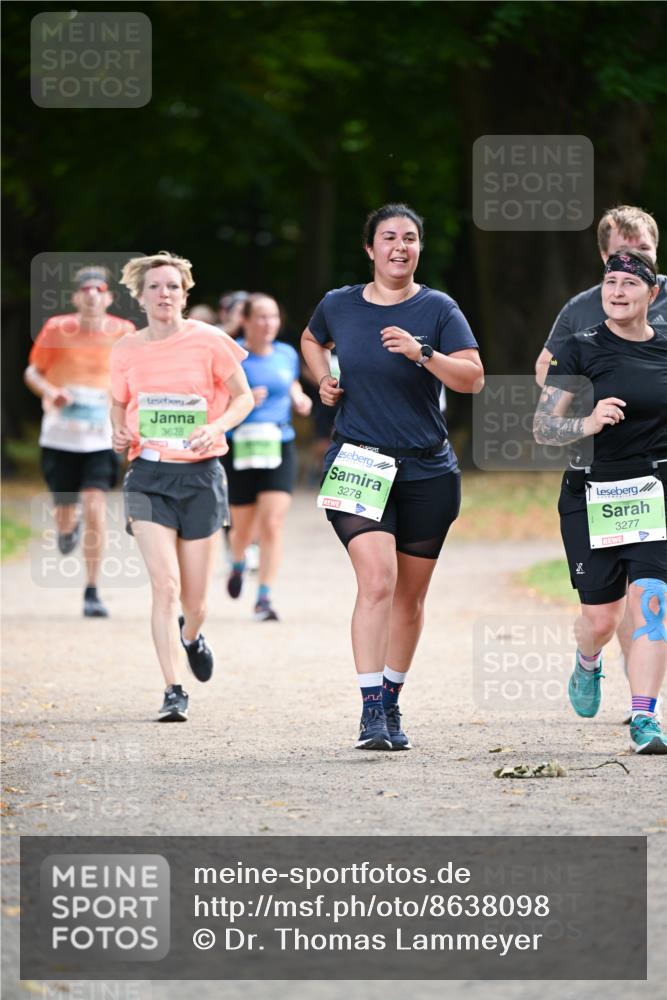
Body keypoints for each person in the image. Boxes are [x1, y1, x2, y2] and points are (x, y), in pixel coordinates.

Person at [301, 203, 484, 751]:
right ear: (370, 248)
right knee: (378, 581)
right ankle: (370, 712)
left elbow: (473, 378)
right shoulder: (339, 304)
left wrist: (423, 352)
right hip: (358, 462)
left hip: (428, 467)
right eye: (388, 237)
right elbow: (311, 340)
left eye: (409, 238)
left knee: (409, 597)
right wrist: (323, 379)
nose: (399, 247)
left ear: (419, 248)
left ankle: (392, 697)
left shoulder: (439, 308)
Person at [535, 205, 666, 723]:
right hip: (593, 492)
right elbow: (543, 429)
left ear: (652, 294)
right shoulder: (577, 347)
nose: (617, 291)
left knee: (652, 601)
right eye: (611, 281)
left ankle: (645, 717)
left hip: (652, 491)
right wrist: (588, 423)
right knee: (601, 618)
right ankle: (588, 660)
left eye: (630, 283)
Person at [110, 252, 254, 722]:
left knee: (195, 601)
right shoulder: (126, 349)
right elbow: (118, 404)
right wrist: (118, 431)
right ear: (140, 296)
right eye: (154, 286)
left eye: (173, 286)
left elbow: (243, 397)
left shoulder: (210, 340)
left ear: (185, 293)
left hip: (200, 476)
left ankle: (191, 635)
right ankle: (173, 689)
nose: (164, 294)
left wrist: (217, 427)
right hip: (148, 476)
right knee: (165, 585)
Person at [24, 265, 135, 617]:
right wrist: (50, 391)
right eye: (85, 290)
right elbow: (32, 372)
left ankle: (92, 590)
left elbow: (135, 376)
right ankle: (66, 528)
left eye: (98, 290)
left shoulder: (124, 332)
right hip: (60, 436)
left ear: (108, 297)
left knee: (94, 505)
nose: (91, 296)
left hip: (100, 438)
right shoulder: (57, 328)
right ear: (75, 297)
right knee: (65, 509)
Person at [223, 294, 312, 621]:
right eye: (261, 316)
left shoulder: (286, 353)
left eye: (273, 316)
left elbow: (291, 383)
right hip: (241, 445)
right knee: (242, 529)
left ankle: (264, 598)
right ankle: (237, 562)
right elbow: (215, 400)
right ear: (245, 320)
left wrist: (300, 398)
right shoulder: (232, 354)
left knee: (272, 524)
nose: (268, 323)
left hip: (278, 443)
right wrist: (244, 400)